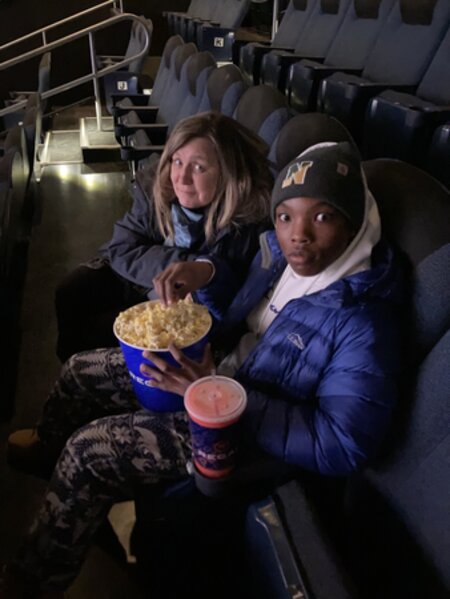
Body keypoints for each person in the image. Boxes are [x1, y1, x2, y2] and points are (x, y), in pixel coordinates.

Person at [3, 142, 404, 598]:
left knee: (89, 452)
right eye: (285, 216)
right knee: (82, 370)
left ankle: (30, 582)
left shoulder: (363, 321)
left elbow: (344, 444)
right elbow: (237, 303)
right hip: (219, 373)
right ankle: (46, 447)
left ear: (354, 221)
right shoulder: (279, 256)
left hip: (242, 430)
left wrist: (218, 393)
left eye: (323, 216)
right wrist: (203, 273)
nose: (298, 235)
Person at [54, 111, 273, 361]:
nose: (182, 178)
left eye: (199, 167)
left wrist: (201, 273)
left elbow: (233, 297)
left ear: (228, 173)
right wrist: (185, 265)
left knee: (97, 331)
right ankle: (69, 371)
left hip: (195, 306)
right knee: (71, 290)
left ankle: (86, 372)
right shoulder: (156, 186)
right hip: (145, 278)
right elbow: (121, 247)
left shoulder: (249, 219)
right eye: (177, 161)